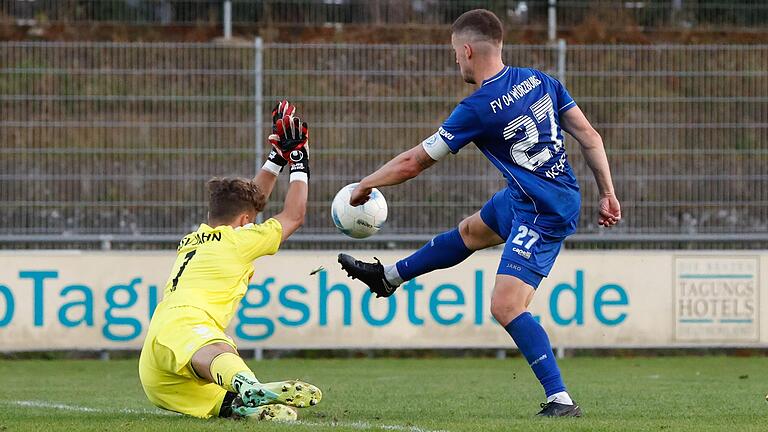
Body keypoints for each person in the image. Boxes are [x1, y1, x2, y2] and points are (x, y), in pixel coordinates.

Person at [338, 9, 621, 417]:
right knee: (471, 232)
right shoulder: (541, 80)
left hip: (544, 210)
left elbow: (414, 162)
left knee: (506, 307)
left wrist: (367, 184)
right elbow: (590, 136)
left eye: (455, 53)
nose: (456, 61)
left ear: (467, 50)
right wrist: (607, 192)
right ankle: (389, 277)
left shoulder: (478, 107)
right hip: (534, 195)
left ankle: (561, 399)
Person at [139, 102, 321, 421]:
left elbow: (250, 203)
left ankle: (244, 404)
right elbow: (294, 215)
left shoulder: (194, 237)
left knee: (232, 404)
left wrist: (276, 157)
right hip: (188, 325)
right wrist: (299, 159)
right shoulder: (238, 241)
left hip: (157, 365)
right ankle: (248, 384)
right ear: (244, 220)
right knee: (221, 351)